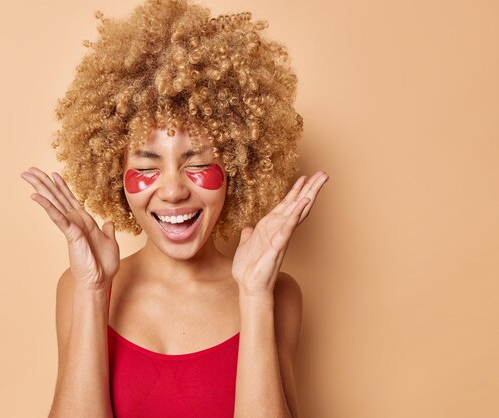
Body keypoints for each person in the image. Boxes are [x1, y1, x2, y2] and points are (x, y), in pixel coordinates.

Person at [21, 0, 328, 416]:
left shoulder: (279, 294)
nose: (172, 191)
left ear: (237, 167)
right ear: (115, 174)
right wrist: (93, 290)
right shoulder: (78, 287)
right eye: (147, 165)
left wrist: (255, 297)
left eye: (198, 164)